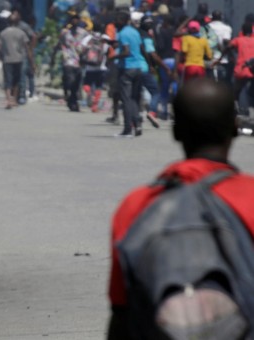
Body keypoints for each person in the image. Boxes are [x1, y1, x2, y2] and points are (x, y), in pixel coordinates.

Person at [107, 78, 254, 339]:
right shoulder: (249, 196)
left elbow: (121, 309)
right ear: (234, 128)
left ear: (176, 132)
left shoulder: (138, 204)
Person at [111, 11, 145, 137]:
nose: (115, 22)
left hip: (127, 69)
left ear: (124, 21)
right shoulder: (134, 31)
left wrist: (113, 57)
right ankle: (137, 124)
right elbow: (142, 48)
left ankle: (127, 129)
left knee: (126, 99)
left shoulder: (123, 33)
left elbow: (126, 52)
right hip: (138, 67)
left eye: (118, 19)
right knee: (134, 99)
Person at [0, 13, 34, 109]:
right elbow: (27, 48)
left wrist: (1, 57)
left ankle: (8, 99)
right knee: (17, 80)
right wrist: (31, 61)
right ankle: (14, 100)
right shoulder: (21, 33)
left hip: (7, 60)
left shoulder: (3, 33)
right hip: (19, 59)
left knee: (7, 81)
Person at [51, 14, 88, 112]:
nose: (75, 21)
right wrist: (53, 57)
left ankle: (73, 101)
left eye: (77, 19)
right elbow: (59, 44)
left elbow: (89, 46)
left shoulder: (84, 33)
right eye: (73, 19)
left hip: (80, 62)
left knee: (77, 84)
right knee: (70, 81)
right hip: (68, 60)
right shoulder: (65, 33)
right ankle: (72, 100)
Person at [216, 24, 254, 116]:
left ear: (242, 31)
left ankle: (235, 110)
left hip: (241, 70)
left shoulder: (238, 40)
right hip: (252, 71)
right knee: (251, 93)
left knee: (236, 92)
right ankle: (251, 111)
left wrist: (221, 57)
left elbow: (228, 47)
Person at [80, 27, 110, 113]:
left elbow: (81, 48)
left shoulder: (88, 38)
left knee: (86, 84)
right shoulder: (105, 39)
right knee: (99, 87)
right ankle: (95, 106)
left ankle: (90, 94)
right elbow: (108, 51)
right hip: (102, 68)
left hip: (89, 68)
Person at [207, 10, 232, 84]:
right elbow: (226, 41)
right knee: (222, 83)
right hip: (222, 59)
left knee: (210, 82)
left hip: (209, 59)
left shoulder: (206, 27)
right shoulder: (226, 28)